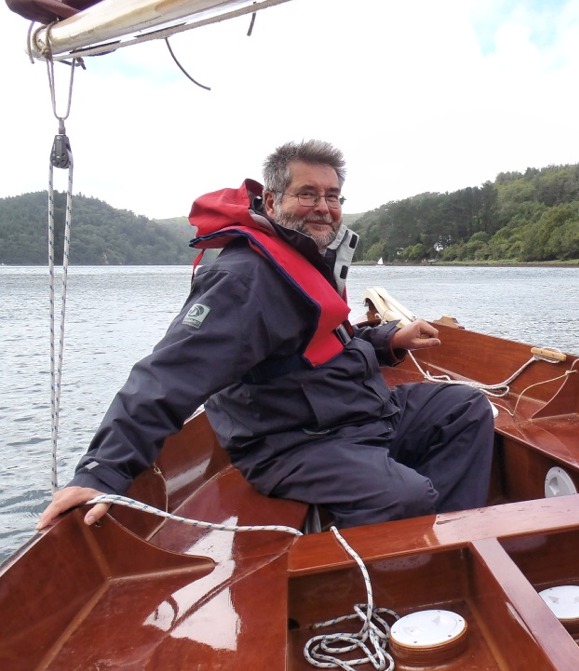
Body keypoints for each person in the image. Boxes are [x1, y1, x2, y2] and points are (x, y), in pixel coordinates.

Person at [38, 140, 494, 531]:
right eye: (308, 194)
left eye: (332, 196)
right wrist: (102, 471)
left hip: (360, 415)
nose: (323, 207)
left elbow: (324, 345)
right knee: (406, 496)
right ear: (272, 203)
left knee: (466, 408)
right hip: (296, 441)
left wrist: (387, 341)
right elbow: (168, 375)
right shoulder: (244, 280)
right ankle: (398, 565)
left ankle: (447, 539)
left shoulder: (307, 258)